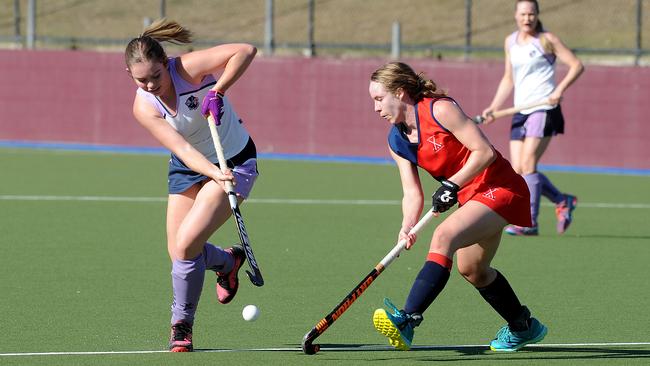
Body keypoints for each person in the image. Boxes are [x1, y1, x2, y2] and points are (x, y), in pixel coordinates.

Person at [369, 61, 547, 351]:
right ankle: (523, 326)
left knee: (443, 236)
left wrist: (452, 184)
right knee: (473, 269)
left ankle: (407, 320)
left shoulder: (439, 110)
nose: (376, 108)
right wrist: (407, 226)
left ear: (400, 93)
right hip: (472, 200)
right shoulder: (396, 140)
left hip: (501, 188)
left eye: (379, 99)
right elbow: (412, 192)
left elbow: (485, 152)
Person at [125, 19, 259, 352]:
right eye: (142, 81)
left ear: (166, 64)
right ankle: (227, 263)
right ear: (130, 77)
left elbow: (245, 51)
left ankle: (181, 325)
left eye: (156, 76)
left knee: (186, 247)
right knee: (179, 251)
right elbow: (182, 149)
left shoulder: (187, 68)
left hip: (235, 160)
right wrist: (211, 173)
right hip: (189, 168)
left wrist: (218, 89)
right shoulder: (144, 107)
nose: (152, 85)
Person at [481, 0, 584, 236]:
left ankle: (529, 222)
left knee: (528, 163)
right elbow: (509, 78)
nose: (527, 18)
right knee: (519, 169)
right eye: (523, 14)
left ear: (537, 15)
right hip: (521, 109)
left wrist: (558, 91)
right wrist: (494, 107)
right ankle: (562, 199)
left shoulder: (547, 39)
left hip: (544, 108)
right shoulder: (510, 41)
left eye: (531, 14)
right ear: (516, 16)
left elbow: (576, 66)